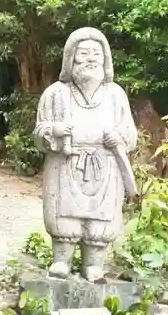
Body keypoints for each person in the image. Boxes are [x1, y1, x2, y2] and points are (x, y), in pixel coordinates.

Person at [34, 27, 137, 282]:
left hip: (106, 165)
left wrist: (119, 138)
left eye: (96, 54)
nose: (90, 59)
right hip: (65, 162)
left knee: (99, 220)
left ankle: (94, 264)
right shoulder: (55, 94)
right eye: (83, 53)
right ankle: (61, 260)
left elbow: (130, 133)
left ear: (105, 59)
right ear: (71, 58)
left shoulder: (115, 95)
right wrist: (55, 130)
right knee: (63, 216)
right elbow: (39, 132)